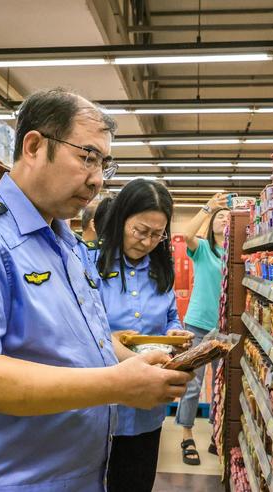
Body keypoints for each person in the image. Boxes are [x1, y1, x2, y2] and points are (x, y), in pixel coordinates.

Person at [0, 88, 193, 492]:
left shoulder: (67, 244)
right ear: (34, 146)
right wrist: (118, 384)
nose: (98, 178)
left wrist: (143, 363)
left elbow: (92, 340)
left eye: (104, 163)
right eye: (87, 157)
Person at [96, 178, 194, 492]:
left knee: (135, 483)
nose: (148, 241)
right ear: (120, 219)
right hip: (98, 405)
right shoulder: (89, 265)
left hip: (145, 411)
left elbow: (169, 318)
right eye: (140, 230)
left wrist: (174, 334)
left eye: (157, 234)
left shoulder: (161, 270)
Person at [175, 192, 231, 465]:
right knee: (193, 384)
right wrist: (209, 208)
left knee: (221, 384)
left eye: (227, 217)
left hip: (224, 329)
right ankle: (186, 435)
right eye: (220, 218)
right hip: (197, 324)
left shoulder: (235, 253)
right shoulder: (203, 250)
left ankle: (215, 435)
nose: (223, 220)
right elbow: (185, 235)